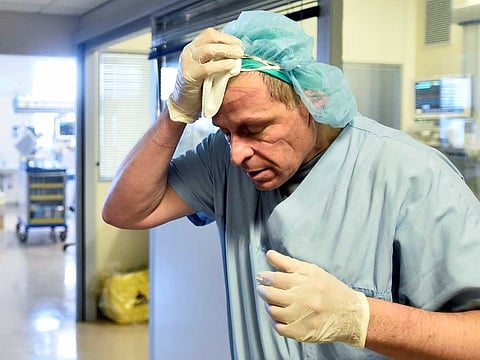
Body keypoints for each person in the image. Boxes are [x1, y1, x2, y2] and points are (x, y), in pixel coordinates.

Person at [102, 10, 480, 359]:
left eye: (254, 129)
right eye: (227, 131)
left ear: (309, 101)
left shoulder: (412, 176)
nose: (237, 153)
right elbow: (126, 209)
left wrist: (361, 320)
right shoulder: (222, 158)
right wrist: (176, 111)